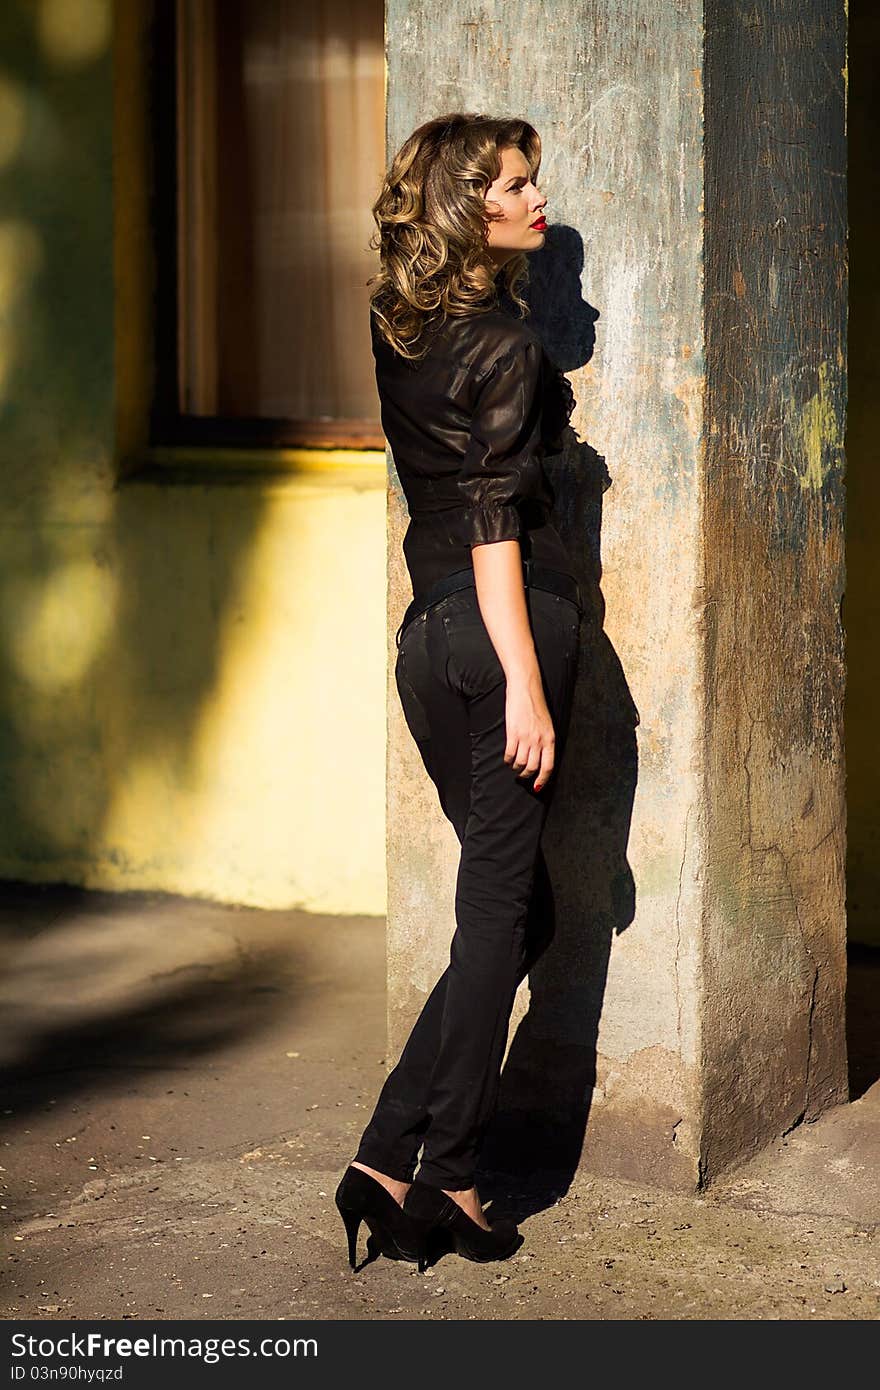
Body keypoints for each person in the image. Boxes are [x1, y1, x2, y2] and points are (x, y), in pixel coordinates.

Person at [335, 113, 583, 1274]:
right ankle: (454, 1172)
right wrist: (528, 685)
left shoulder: (403, 327)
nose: (539, 199)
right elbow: (492, 521)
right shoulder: (508, 350)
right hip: (499, 635)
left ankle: (388, 1155)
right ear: (467, 207)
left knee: (512, 909)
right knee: (500, 912)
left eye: (533, 181)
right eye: (516, 185)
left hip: (424, 645)